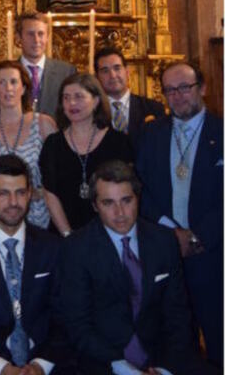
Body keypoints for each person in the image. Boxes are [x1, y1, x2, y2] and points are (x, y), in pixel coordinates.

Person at [59, 160, 207, 375]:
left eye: (126, 200)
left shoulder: (164, 241)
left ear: (138, 198)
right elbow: (78, 326)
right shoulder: (76, 249)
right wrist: (126, 370)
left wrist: (164, 369)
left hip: (161, 359)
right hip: (105, 363)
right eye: (108, 203)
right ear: (95, 206)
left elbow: (178, 316)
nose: (120, 212)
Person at [136, 62, 223, 367]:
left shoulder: (221, 132)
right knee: (174, 344)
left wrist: (197, 236)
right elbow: (141, 186)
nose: (178, 96)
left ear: (202, 88)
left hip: (213, 254)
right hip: (165, 251)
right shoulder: (151, 133)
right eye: (170, 90)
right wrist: (171, 232)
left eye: (185, 87)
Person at [0, 154, 73, 375]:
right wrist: (0, 368)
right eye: (3, 193)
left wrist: (41, 365)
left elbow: (65, 316)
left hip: (47, 364)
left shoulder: (53, 248)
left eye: (20, 193)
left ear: (29, 194)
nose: (13, 203)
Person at [40, 73, 133, 234]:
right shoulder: (53, 144)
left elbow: (126, 192)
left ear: (96, 101)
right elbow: (50, 194)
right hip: (63, 235)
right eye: (66, 98)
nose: (72, 103)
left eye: (79, 96)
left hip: (110, 233)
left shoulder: (118, 142)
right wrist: (68, 235)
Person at [0, 61, 56, 228]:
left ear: (23, 88)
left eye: (14, 82)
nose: (8, 88)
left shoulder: (44, 124)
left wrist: (38, 192)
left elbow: (58, 176)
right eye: (2, 82)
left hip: (40, 220)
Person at [94, 45, 164, 148]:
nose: (112, 75)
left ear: (127, 72)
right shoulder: (92, 113)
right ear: (97, 77)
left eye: (117, 68)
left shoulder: (153, 108)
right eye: (105, 71)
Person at [17, 12, 76, 116]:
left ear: (48, 37)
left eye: (41, 34)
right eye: (30, 34)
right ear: (19, 37)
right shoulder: (7, 72)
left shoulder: (66, 72)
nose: (36, 40)